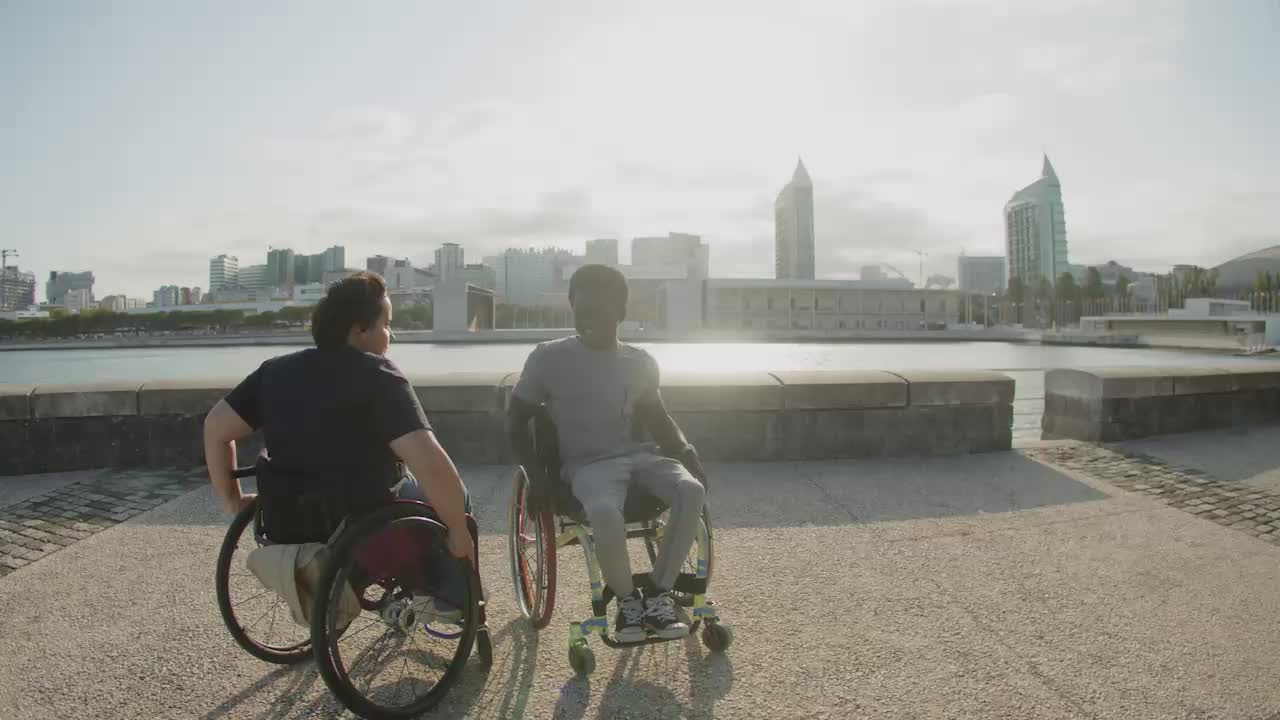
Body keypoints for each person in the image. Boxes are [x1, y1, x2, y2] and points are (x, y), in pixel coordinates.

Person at [203, 271, 474, 615]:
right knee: (455, 496)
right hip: (364, 530)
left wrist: (231, 500)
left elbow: (215, 428)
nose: (391, 335)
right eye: (387, 324)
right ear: (360, 330)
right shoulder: (379, 376)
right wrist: (458, 530)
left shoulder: (274, 372)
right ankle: (446, 598)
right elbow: (431, 464)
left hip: (287, 524)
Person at [508, 264, 708, 643]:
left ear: (620, 311)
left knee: (691, 490)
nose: (587, 318)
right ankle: (627, 601)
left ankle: (658, 593)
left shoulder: (640, 361)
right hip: (588, 465)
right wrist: (535, 475)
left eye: (597, 309)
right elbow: (516, 420)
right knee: (602, 512)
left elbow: (658, 417)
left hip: (641, 457)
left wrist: (685, 450)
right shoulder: (548, 358)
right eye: (580, 309)